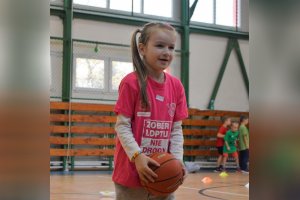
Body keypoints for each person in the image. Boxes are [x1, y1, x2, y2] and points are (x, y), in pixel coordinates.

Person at [113, 22, 188, 200]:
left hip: (162, 171)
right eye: (160, 45)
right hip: (131, 172)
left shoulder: (176, 86)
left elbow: (176, 130)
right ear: (142, 48)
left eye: (171, 47)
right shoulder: (131, 83)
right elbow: (122, 127)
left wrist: (177, 160)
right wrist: (138, 157)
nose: (167, 52)